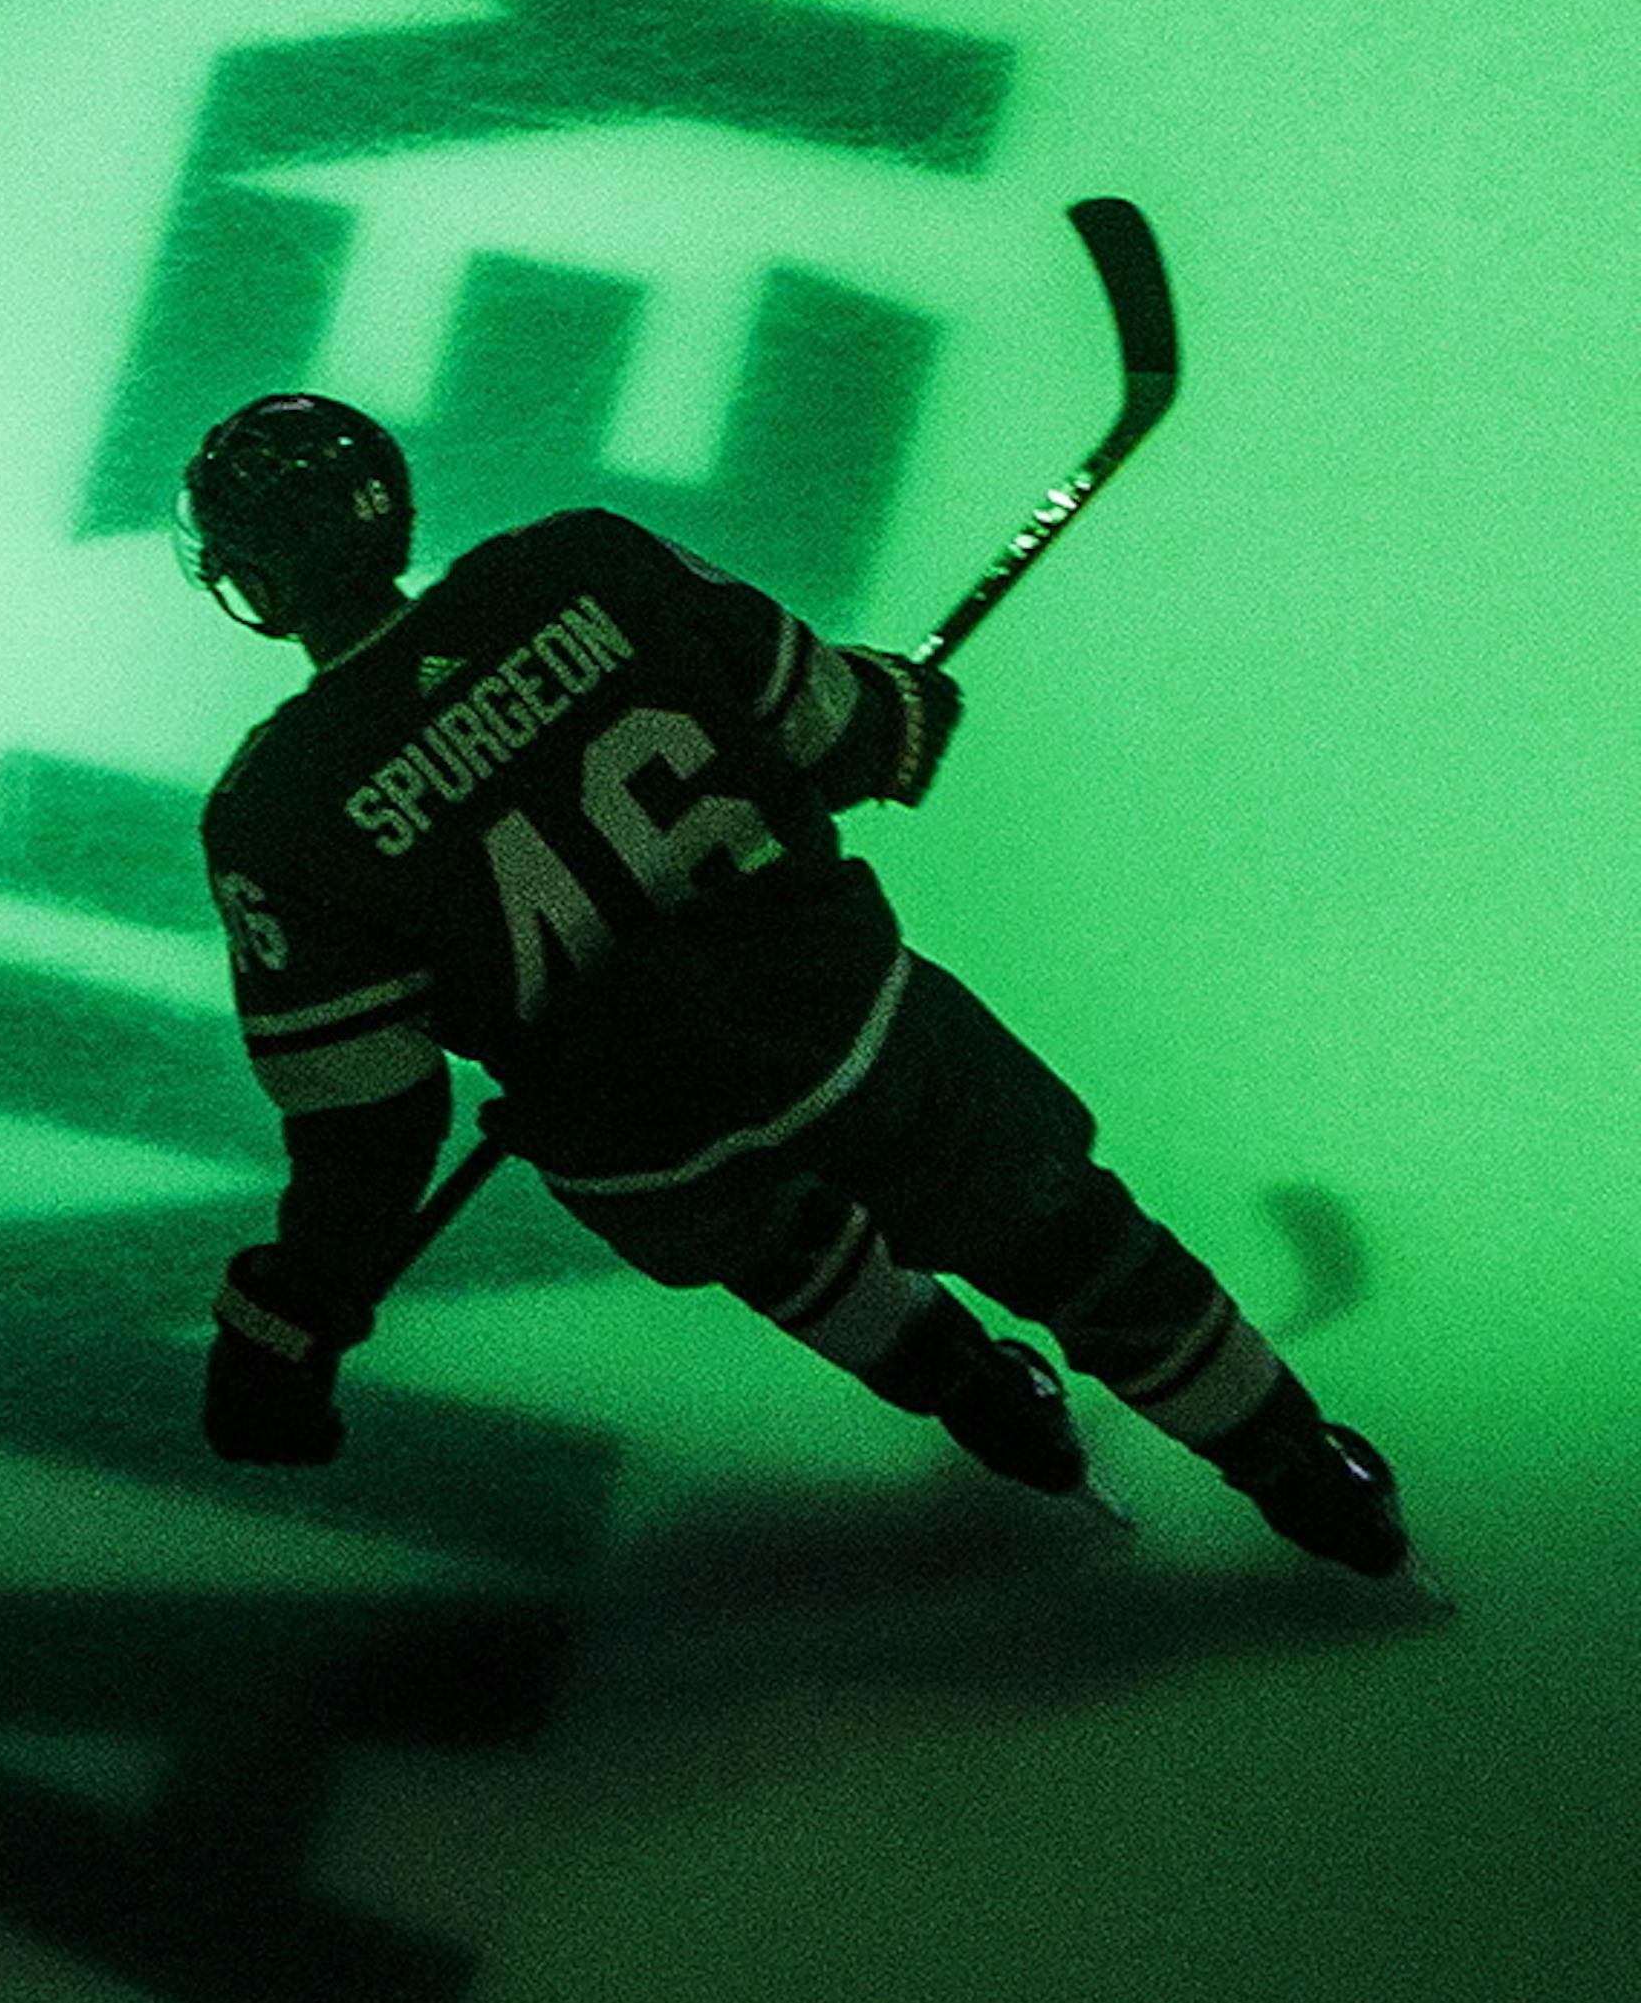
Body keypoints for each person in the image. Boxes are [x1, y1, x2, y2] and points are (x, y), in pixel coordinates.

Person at [178, 391, 1417, 1580]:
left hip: (639, 1145)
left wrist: (292, 1317)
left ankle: (982, 1398)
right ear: (387, 504)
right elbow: (845, 731)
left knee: (761, 1229)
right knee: (1063, 1236)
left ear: (250, 583)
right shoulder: (584, 565)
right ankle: (1302, 1469)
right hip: (848, 1031)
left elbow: (370, 1129)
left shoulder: (275, 813)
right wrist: (902, 709)